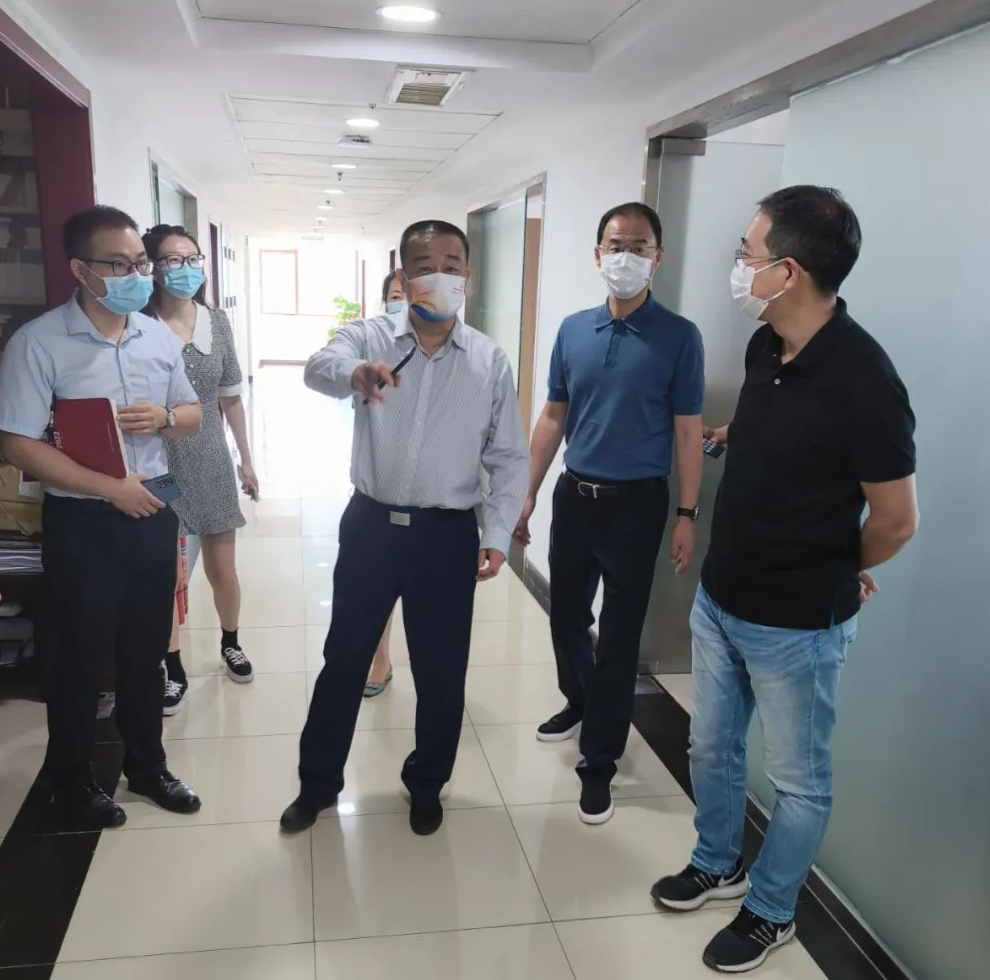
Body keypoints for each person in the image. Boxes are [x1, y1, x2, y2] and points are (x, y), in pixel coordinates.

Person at [650, 186, 919, 974]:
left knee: (798, 781)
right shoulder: (767, 344)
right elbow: (788, 436)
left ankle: (771, 911)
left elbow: (896, 520)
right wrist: (735, 435)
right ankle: (718, 861)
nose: (738, 266)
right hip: (721, 597)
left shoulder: (867, 382)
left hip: (796, 625)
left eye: (748, 253)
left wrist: (842, 567)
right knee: (710, 744)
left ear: (788, 271)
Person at [280, 219, 529, 837]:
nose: (438, 276)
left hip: (447, 535)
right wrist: (354, 374)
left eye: (451, 264)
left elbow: (508, 456)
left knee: (442, 669)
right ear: (403, 275)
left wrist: (497, 535)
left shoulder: (489, 360)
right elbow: (318, 365)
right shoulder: (370, 336)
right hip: (371, 527)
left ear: (467, 275)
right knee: (344, 659)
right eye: (424, 265)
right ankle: (318, 784)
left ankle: (426, 783)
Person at [0, 205, 204, 828]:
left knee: (145, 651)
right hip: (84, 523)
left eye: (140, 263)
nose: (136, 275)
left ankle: (147, 766)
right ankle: (71, 778)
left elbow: (192, 413)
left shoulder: (157, 336)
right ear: (80, 270)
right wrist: (110, 489)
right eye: (118, 265)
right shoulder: (39, 342)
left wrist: (164, 419)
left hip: (154, 509)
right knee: (80, 657)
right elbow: (18, 443)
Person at [514, 202, 704, 826]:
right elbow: (553, 416)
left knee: (620, 637)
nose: (626, 256)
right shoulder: (574, 331)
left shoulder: (680, 337)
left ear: (658, 257)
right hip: (576, 497)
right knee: (567, 616)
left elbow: (687, 430)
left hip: (638, 506)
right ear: (597, 254)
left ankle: (599, 762)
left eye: (639, 246)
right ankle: (581, 699)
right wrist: (526, 491)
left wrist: (686, 513)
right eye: (616, 245)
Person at [142, 224, 259, 716]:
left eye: (193, 259)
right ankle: (172, 666)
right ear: (152, 267)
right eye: (173, 259)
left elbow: (230, 398)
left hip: (210, 455)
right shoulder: (138, 323)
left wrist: (246, 459)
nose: (185, 268)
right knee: (167, 574)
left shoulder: (216, 322)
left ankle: (231, 642)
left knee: (222, 569)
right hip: (157, 460)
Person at [362, 270, 409, 699]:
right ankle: (380, 658)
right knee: (378, 584)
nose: (404, 302)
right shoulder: (372, 341)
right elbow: (324, 365)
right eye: (396, 295)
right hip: (380, 489)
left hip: (433, 500)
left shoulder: (460, 350)